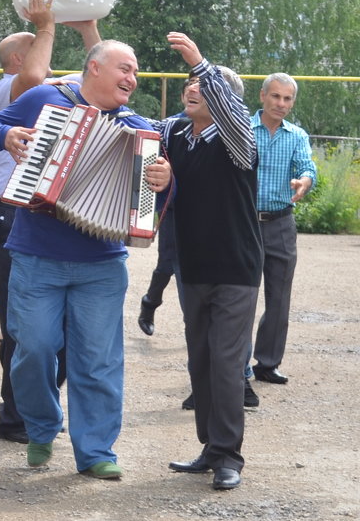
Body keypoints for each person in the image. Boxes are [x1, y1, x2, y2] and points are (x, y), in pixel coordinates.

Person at [0, 39, 171, 479]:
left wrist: (163, 180)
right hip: (35, 255)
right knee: (32, 349)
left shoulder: (139, 130)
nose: (132, 78)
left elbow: (152, 205)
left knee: (98, 360)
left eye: (136, 72)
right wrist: (7, 134)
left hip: (102, 263)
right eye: (125, 68)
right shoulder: (48, 97)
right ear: (94, 68)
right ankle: (42, 426)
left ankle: (96, 450)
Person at [0, 0, 100, 443]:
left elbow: (99, 76)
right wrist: (46, 24)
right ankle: (16, 418)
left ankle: (35, 408)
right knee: (25, 326)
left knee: (61, 327)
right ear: (21, 55)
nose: (48, 58)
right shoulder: (7, 87)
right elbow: (33, 76)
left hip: (42, 212)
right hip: (9, 216)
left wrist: (89, 29)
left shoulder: (55, 90)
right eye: (41, 45)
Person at [158, 33, 259, 491]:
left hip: (235, 270)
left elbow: (229, 107)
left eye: (204, 85)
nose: (193, 88)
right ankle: (210, 448)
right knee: (200, 362)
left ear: (222, 99)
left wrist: (201, 62)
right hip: (193, 267)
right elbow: (129, 130)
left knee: (225, 363)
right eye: (190, 83)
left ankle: (229, 457)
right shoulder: (175, 133)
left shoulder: (239, 140)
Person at [249, 72, 316, 385]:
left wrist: (304, 181)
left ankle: (267, 362)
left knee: (279, 298)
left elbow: (306, 166)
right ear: (263, 96)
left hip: (280, 224)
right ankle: (235, 364)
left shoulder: (296, 136)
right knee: (240, 296)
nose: (281, 103)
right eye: (276, 96)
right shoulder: (243, 131)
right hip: (244, 223)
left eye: (287, 98)